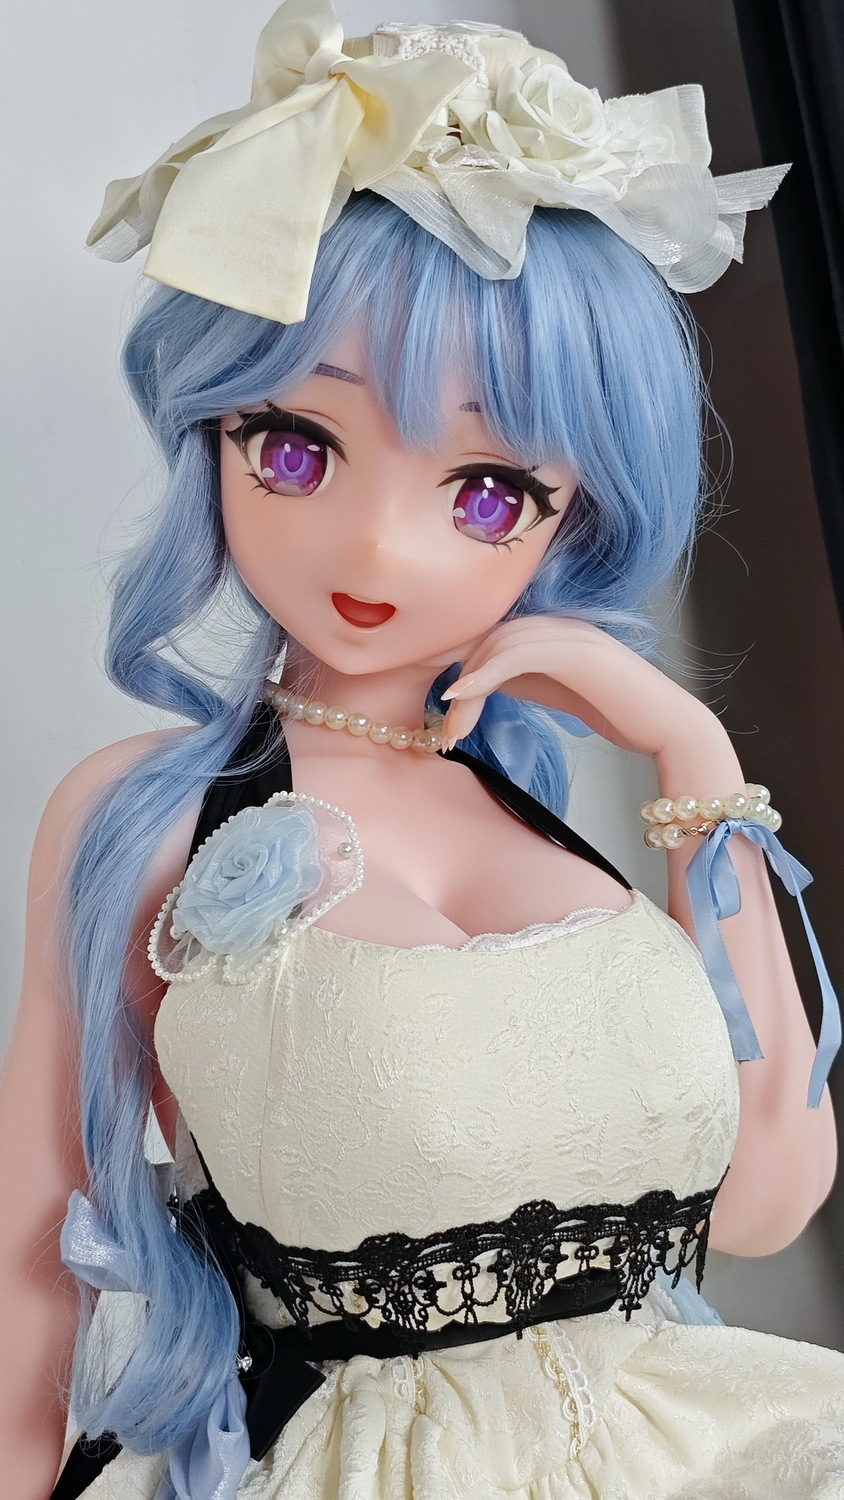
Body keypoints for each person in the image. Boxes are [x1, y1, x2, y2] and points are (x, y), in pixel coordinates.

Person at [2, 4, 843, 1497]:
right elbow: (33, 1251)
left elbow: (767, 1198)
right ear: (212, 435)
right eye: (297, 448)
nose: (379, 547)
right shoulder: (149, 818)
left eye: (487, 492)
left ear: (576, 513)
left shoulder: (553, 817)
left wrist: (693, 758)